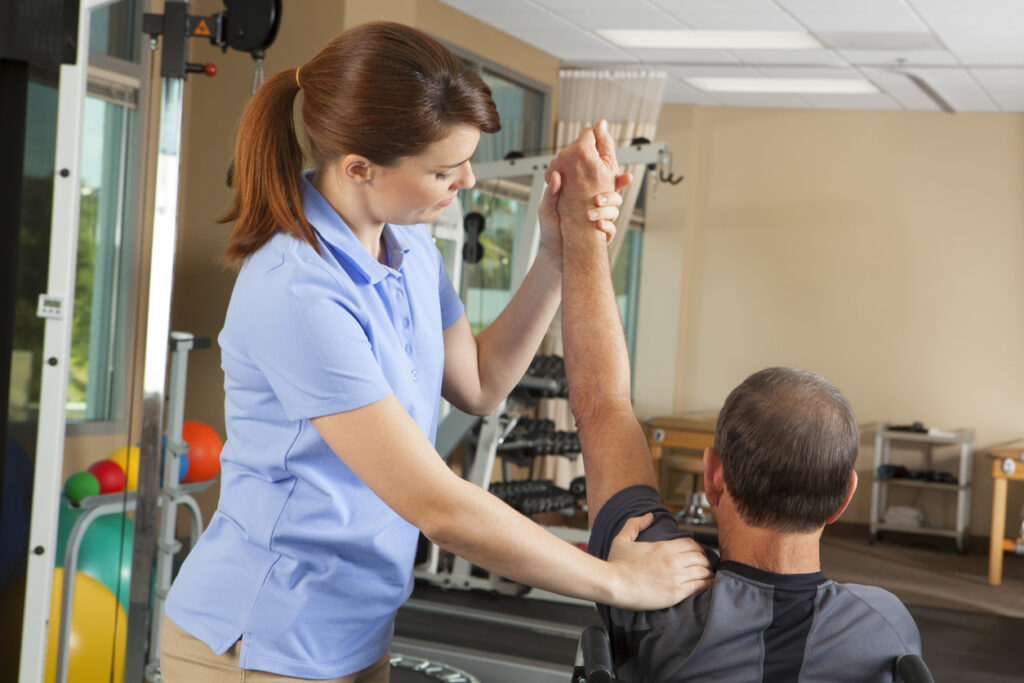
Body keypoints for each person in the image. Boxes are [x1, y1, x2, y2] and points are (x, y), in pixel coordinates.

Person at [160, 22, 712, 683]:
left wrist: (558, 252)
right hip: (264, 641)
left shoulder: (409, 244)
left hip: (356, 632)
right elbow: (439, 508)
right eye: (445, 170)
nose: (469, 181)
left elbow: (479, 383)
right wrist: (617, 582)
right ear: (360, 169)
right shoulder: (297, 291)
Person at [552, 123, 922, 682]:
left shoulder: (655, 590)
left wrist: (583, 225)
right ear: (844, 496)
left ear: (713, 477)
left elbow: (601, 404)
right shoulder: (885, 627)